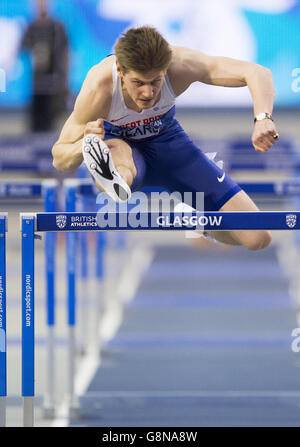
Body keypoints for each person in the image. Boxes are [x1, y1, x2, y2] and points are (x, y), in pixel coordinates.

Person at [52, 26, 279, 250]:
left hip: (169, 145)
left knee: (258, 238)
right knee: (117, 155)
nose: (148, 93)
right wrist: (85, 145)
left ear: (165, 68)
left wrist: (263, 118)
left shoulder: (180, 64)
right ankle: (114, 178)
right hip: (121, 148)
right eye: (139, 83)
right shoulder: (99, 87)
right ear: (120, 69)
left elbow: (257, 73)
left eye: (155, 82)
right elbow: (60, 158)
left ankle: (195, 220)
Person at [21, 0, 69, 132]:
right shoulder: (31, 27)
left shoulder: (57, 27)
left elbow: (65, 52)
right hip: (37, 84)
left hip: (53, 82)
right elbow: (22, 47)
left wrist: (63, 78)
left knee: (50, 124)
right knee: (36, 123)